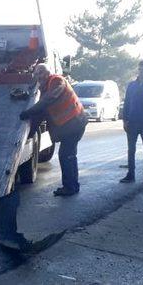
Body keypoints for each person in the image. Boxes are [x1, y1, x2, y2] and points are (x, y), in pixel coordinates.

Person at [20, 63, 88, 197]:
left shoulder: (57, 81)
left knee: (66, 155)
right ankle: (72, 186)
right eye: (37, 74)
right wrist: (30, 134)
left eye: (41, 73)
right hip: (71, 126)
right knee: (69, 155)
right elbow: (40, 114)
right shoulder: (45, 89)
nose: (39, 76)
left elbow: (47, 101)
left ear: (47, 73)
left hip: (75, 124)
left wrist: (28, 112)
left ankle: (70, 187)